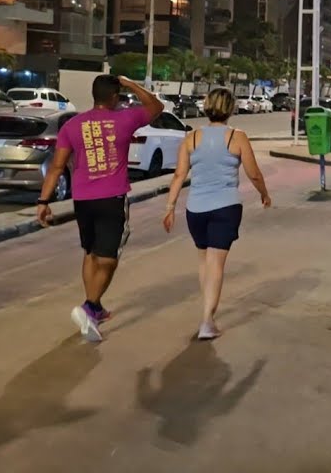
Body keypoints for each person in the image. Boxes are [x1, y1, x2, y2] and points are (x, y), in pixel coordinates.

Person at [37, 75, 164, 342]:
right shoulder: (126, 119)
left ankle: (94, 308)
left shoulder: (72, 125)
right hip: (112, 198)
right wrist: (130, 83)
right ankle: (90, 307)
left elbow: (57, 166)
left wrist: (43, 201)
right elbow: (156, 106)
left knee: (91, 253)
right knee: (108, 258)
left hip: (83, 200)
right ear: (115, 97)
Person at [160, 88, 271, 340]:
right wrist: (264, 193)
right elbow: (254, 173)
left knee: (204, 261)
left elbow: (179, 175)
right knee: (216, 264)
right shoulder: (237, 137)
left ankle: (207, 315)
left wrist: (170, 207)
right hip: (225, 207)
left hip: (196, 209)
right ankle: (207, 321)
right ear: (230, 109)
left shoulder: (192, 138)